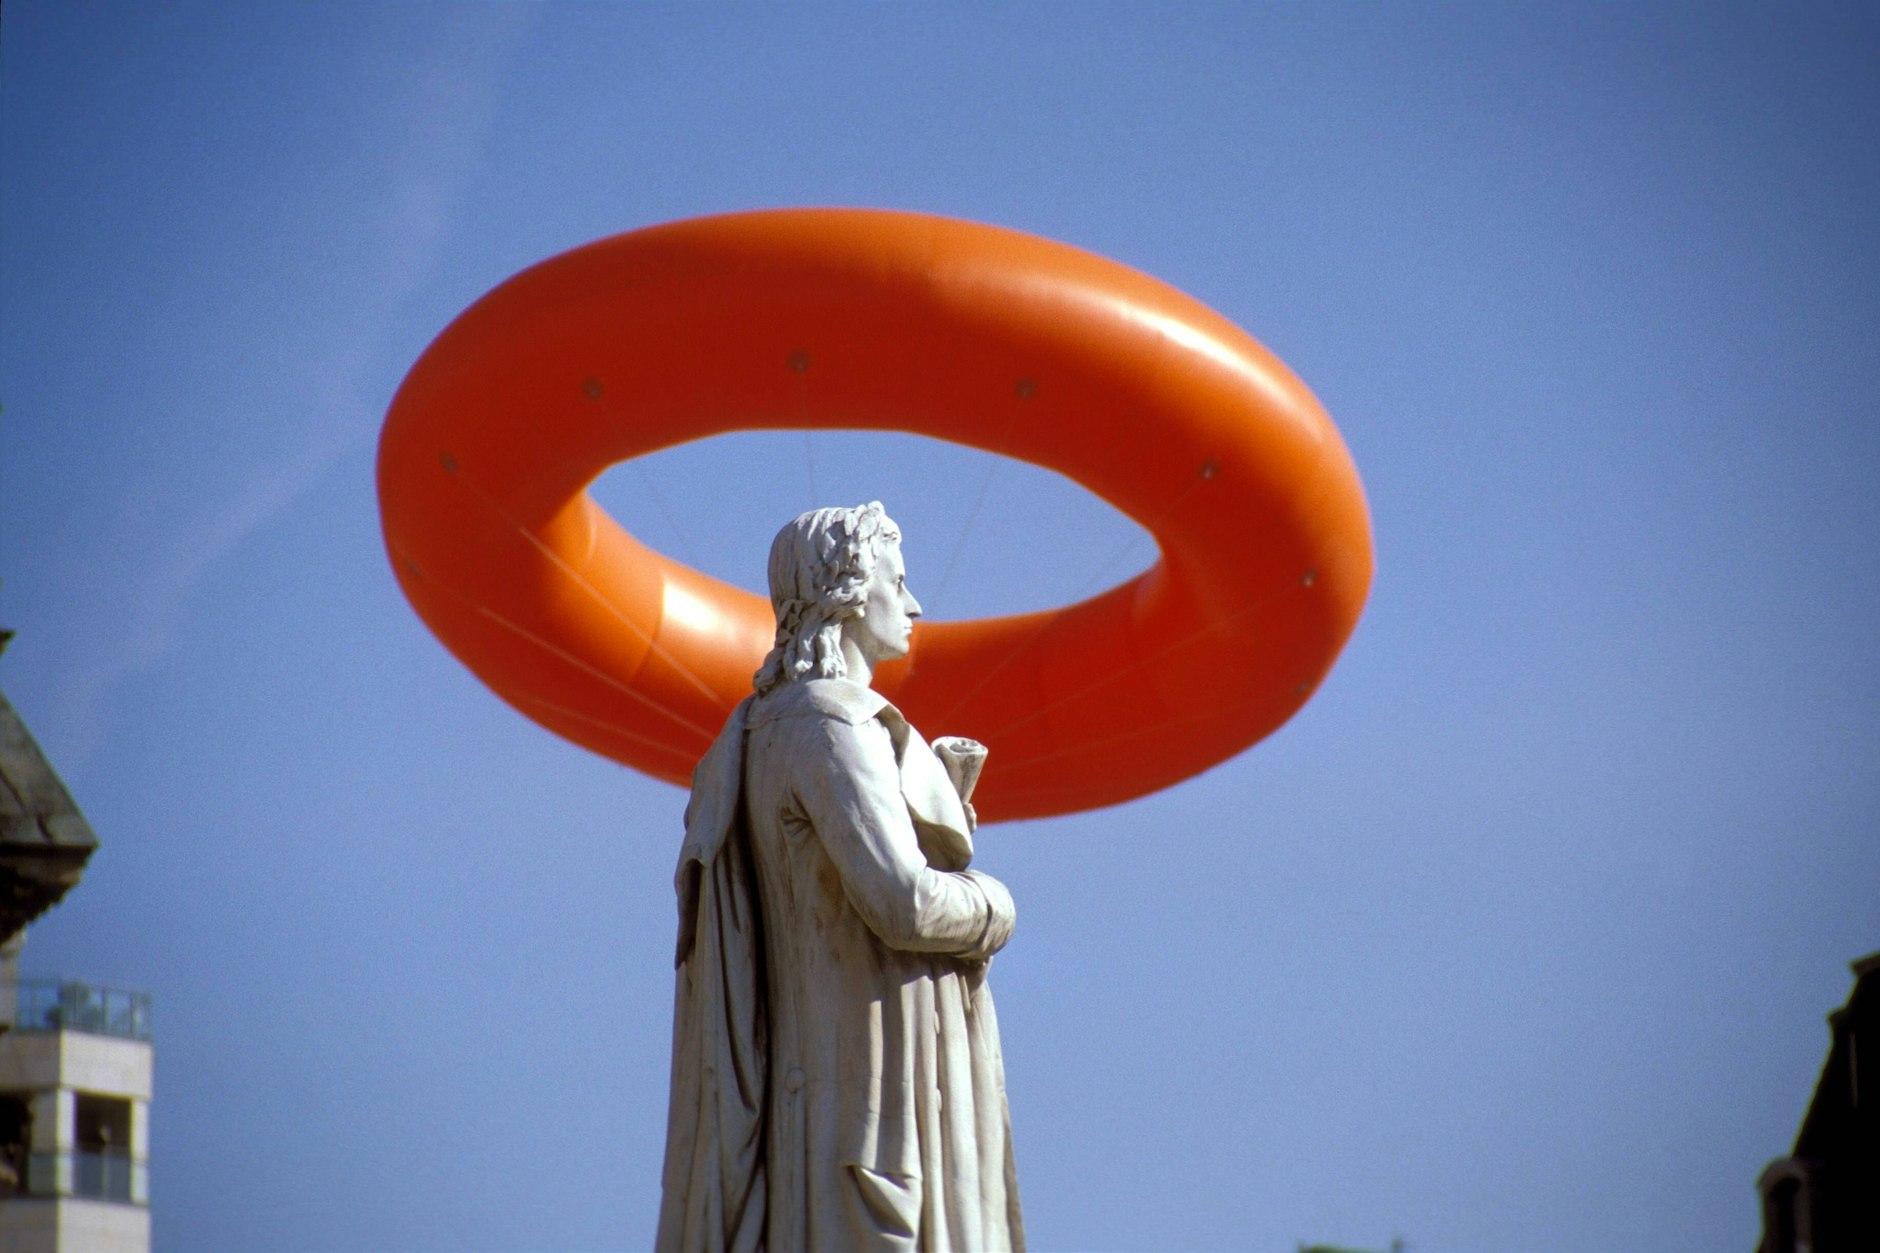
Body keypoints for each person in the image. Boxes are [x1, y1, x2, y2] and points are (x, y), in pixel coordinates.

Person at [658, 502, 1022, 1253]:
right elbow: (903, 904)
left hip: (819, 1102)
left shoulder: (758, 728)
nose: (915, 603)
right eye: (898, 579)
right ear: (851, 591)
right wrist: (995, 904)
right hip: (874, 1107)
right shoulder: (834, 725)